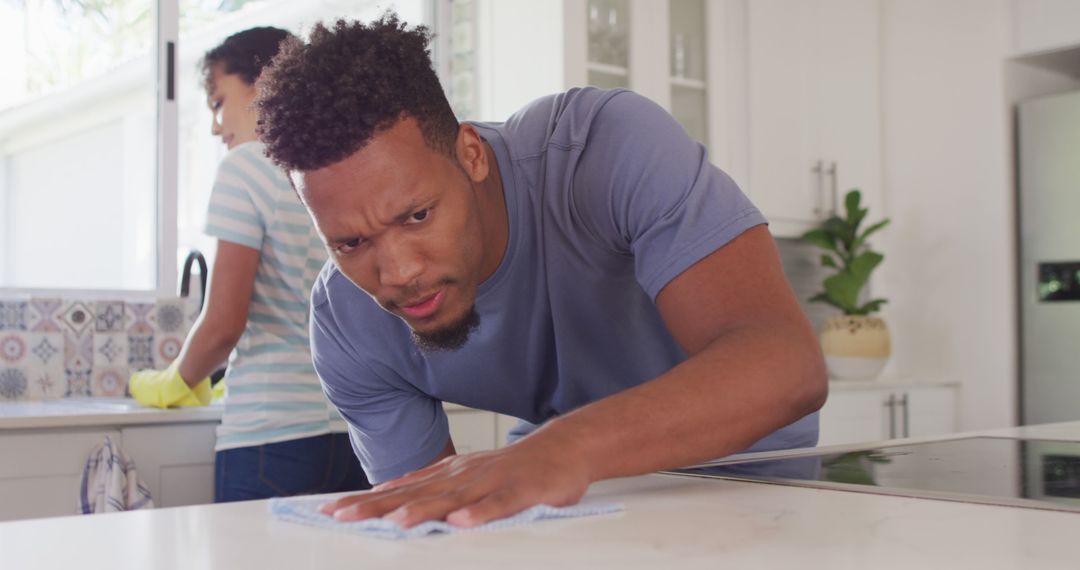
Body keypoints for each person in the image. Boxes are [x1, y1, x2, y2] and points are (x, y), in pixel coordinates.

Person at [254, 14, 827, 526]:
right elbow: (432, 524)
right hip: (572, 503)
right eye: (351, 242)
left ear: (471, 154)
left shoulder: (602, 148)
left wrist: (562, 449)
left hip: (751, 480)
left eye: (418, 215)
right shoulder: (346, 326)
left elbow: (786, 366)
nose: (399, 272)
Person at [128, 27, 370, 502]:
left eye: (218, 103)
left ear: (263, 82)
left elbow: (223, 325)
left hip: (270, 437)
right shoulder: (336, 172)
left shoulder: (245, 167)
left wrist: (174, 380)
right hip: (353, 435)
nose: (217, 127)